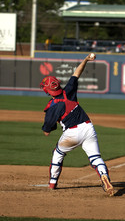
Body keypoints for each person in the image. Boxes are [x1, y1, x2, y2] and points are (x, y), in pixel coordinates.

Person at [40, 53, 114, 197]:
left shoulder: (52, 106)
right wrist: (86, 59)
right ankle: (104, 177)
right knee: (95, 157)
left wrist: (53, 122)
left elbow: (47, 131)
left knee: (58, 154)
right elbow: (76, 73)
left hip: (72, 134)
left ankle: (52, 183)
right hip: (88, 128)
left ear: (46, 91)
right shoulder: (69, 90)